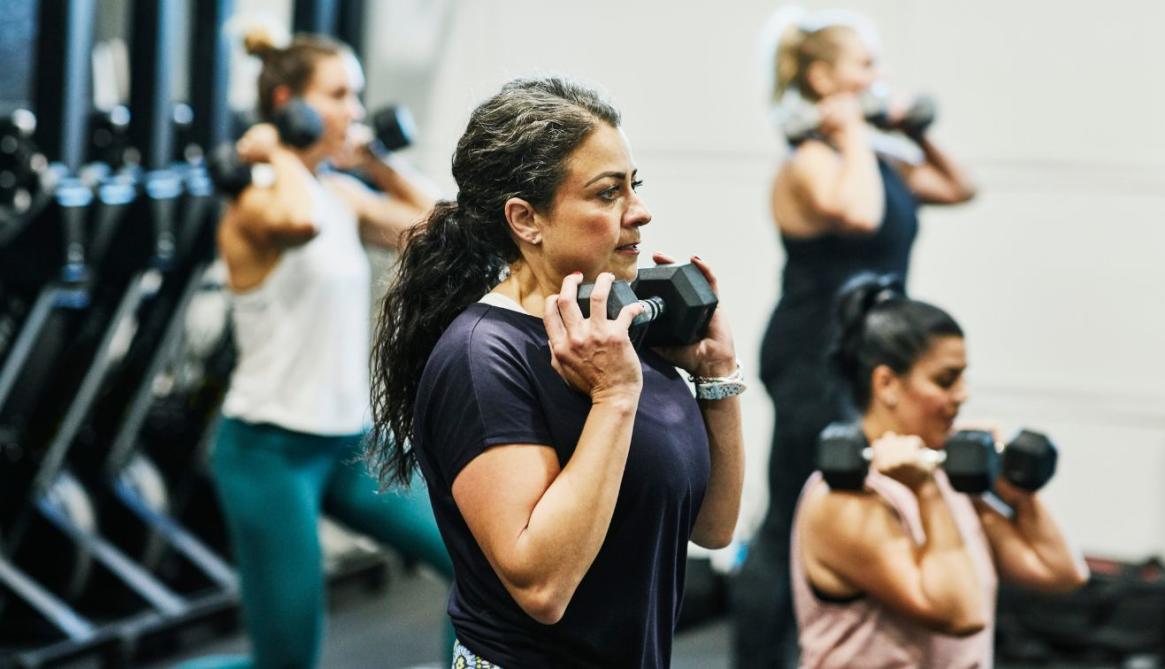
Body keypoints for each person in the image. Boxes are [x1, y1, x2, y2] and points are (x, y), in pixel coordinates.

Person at [367, 76, 746, 668]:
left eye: (635, 186)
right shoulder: (482, 359)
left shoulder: (614, 326)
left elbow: (713, 528)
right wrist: (616, 397)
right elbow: (542, 588)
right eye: (607, 193)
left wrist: (717, 378)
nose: (639, 212)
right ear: (526, 219)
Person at [187, 29, 451, 669]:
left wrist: (377, 164)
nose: (356, 111)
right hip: (269, 453)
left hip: (349, 445)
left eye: (357, 96)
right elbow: (295, 223)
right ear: (290, 103)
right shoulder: (252, 199)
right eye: (340, 96)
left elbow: (443, 228)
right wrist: (278, 147)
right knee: (286, 663)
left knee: (481, 562)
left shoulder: (338, 194)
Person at [732, 9, 977, 666]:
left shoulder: (883, 161)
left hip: (870, 357)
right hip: (811, 357)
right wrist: (853, 135)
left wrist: (912, 134)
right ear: (822, 76)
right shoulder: (809, 162)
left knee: (859, 503)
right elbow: (860, 213)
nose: (881, 77)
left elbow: (960, 186)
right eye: (866, 66)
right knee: (791, 516)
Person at [790, 274, 1087, 668]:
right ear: (887, 384)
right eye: (946, 380)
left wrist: (1012, 489)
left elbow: (1061, 573)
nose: (962, 395)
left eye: (963, 377)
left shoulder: (944, 474)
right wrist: (926, 491)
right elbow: (963, 614)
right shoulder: (844, 499)